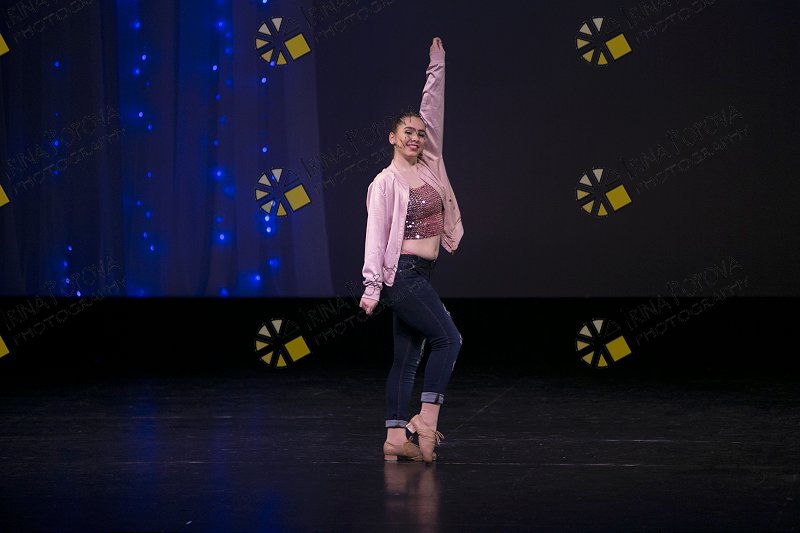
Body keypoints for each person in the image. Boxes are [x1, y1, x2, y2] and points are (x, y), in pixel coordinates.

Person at [358, 37, 464, 464]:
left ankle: (393, 437)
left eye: (420, 133)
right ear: (392, 137)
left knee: (406, 358)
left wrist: (436, 67)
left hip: (422, 273)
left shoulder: (430, 166)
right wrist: (371, 287)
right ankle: (425, 420)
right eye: (408, 132)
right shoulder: (385, 183)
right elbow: (374, 235)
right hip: (401, 275)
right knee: (449, 339)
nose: (417, 137)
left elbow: (432, 112)